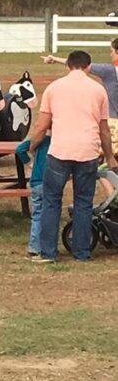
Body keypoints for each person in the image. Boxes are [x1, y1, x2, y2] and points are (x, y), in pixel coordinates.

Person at [30, 50, 118, 263]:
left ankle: (48, 252)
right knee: (83, 202)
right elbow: (104, 129)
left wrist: (33, 145)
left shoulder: (54, 88)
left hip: (60, 151)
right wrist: (109, 156)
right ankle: (82, 251)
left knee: (52, 200)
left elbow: (42, 126)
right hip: (87, 151)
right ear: (88, 67)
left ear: (68, 65)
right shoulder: (98, 90)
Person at [41, 37, 118, 117]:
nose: (111, 54)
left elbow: (79, 64)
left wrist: (55, 59)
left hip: (114, 119)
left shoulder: (109, 71)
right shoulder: (109, 70)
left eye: (112, 51)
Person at [16, 132, 51, 257]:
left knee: (37, 215)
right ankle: (49, 246)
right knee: (51, 215)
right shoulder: (58, 141)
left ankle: (34, 246)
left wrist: (29, 163)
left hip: (36, 181)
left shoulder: (38, 139)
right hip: (51, 182)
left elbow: (20, 149)